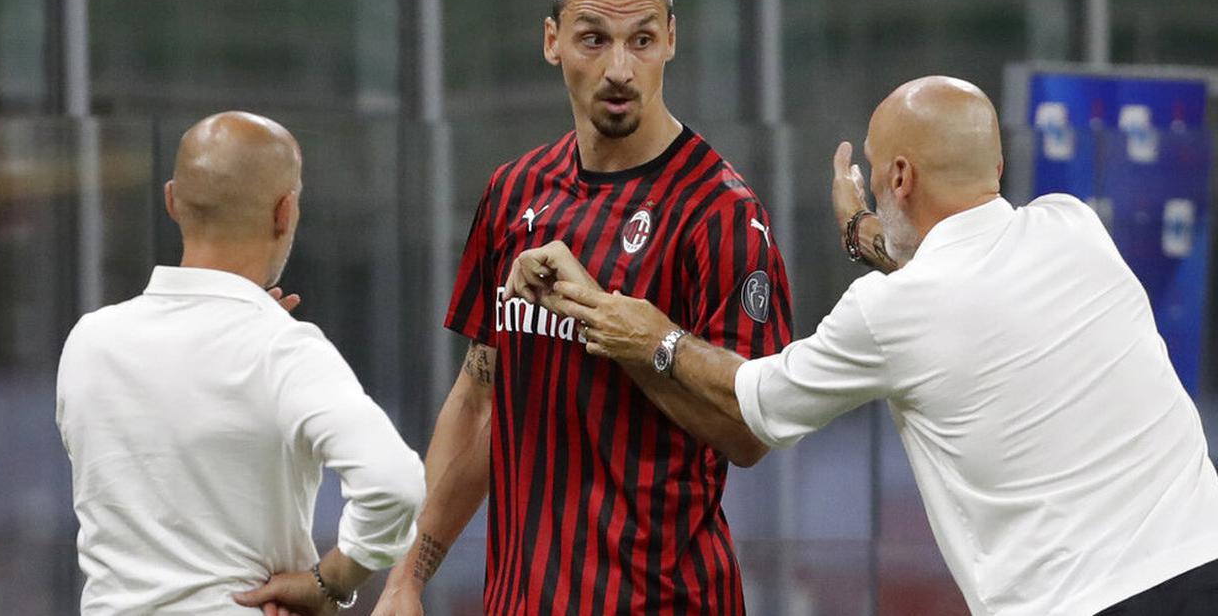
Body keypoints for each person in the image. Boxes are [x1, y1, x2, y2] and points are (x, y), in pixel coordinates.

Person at [518, 76, 1218, 615]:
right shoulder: (1072, 229)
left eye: (883, 171)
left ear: (901, 178)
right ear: (996, 162)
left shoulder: (889, 313)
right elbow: (961, 284)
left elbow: (752, 404)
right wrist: (862, 231)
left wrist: (648, 333)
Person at [373, 0, 793, 616]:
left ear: (670, 42)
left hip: (663, 602)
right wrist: (408, 575)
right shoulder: (514, 192)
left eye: (641, 40)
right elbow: (480, 397)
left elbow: (749, 434)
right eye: (594, 39)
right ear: (552, 42)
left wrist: (615, 323)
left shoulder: (720, 213)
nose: (620, 69)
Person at [56, 111, 426, 615]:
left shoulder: (88, 342)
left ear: (171, 201)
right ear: (285, 211)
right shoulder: (282, 350)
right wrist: (332, 580)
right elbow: (394, 483)